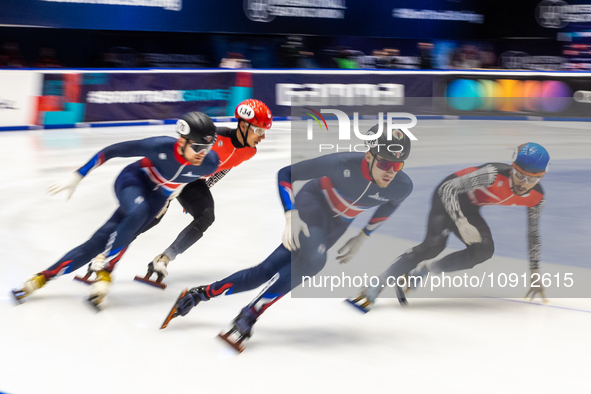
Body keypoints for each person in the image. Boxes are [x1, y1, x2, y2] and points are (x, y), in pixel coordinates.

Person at [161, 124, 414, 350]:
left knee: (266, 270)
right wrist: (291, 214)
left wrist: (363, 235)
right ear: (369, 156)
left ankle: (201, 294)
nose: (391, 171)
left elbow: (391, 204)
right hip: (313, 204)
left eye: (397, 165)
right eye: (385, 163)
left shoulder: (402, 185)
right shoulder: (342, 163)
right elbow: (285, 173)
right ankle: (250, 313)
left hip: (338, 225)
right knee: (315, 260)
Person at [11, 112, 219, 309]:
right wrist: (78, 175)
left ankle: (42, 278)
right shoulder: (159, 146)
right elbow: (111, 151)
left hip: (158, 197)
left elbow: (189, 176)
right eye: (198, 146)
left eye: (207, 147)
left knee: (102, 240)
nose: (202, 153)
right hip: (134, 181)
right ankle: (106, 269)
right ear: (182, 141)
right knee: (138, 213)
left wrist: (175, 192)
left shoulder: (209, 164)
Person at [348, 142, 550, 312]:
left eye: (533, 178)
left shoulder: (537, 198)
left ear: (541, 177)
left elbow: (533, 233)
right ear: (512, 167)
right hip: (448, 195)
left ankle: (421, 273)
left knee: (484, 250)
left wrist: (535, 274)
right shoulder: (492, 174)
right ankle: (375, 286)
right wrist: (460, 221)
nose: (524, 183)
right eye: (520, 175)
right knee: (433, 246)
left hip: (470, 207)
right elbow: (448, 189)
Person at [136, 99, 273, 287]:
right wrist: (168, 188)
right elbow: (179, 151)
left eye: (264, 132)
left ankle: (164, 259)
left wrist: (204, 190)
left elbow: (225, 168)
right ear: (243, 125)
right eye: (259, 130)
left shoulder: (250, 151)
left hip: (195, 182)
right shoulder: (215, 136)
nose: (262, 136)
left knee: (206, 216)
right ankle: (110, 248)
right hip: (175, 174)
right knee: (155, 216)